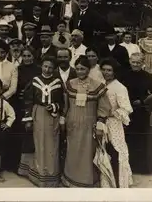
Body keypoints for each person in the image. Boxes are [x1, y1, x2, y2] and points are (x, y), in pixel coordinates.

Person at [61, 55, 112, 188]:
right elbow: (65, 106)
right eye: (77, 69)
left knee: (88, 153)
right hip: (72, 124)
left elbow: (104, 108)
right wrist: (63, 120)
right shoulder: (69, 84)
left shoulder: (98, 86)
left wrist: (100, 124)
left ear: (88, 69)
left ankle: (86, 182)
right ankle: (70, 180)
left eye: (82, 69)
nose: (79, 72)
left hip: (89, 125)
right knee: (72, 152)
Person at [20, 56, 64, 187]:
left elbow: (62, 101)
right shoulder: (35, 81)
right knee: (39, 143)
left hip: (52, 116)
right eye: (45, 66)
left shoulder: (57, 82)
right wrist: (28, 118)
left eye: (50, 67)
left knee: (52, 144)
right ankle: (38, 173)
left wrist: (55, 106)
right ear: (41, 66)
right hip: (38, 113)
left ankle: (50, 174)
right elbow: (28, 100)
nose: (47, 69)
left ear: (54, 68)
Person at [121, 52, 152, 175]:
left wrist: (143, 100)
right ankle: (129, 167)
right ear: (130, 62)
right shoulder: (124, 76)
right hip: (127, 111)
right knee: (128, 138)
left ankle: (141, 167)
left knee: (141, 139)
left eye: (138, 62)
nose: (135, 64)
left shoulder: (149, 76)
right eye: (133, 62)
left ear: (142, 63)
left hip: (141, 112)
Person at [100, 58, 133, 188]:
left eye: (109, 70)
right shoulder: (101, 83)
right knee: (103, 153)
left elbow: (126, 108)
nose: (106, 72)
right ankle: (107, 183)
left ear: (114, 72)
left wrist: (111, 113)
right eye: (104, 69)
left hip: (114, 124)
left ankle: (119, 184)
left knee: (116, 152)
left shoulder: (119, 87)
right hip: (101, 123)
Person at [14, 47, 41, 174]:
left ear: (33, 56)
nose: (26, 58)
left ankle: (33, 165)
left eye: (29, 56)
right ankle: (21, 165)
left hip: (34, 104)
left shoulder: (39, 70)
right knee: (21, 133)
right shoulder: (18, 69)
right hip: (20, 105)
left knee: (33, 133)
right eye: (24, 56)